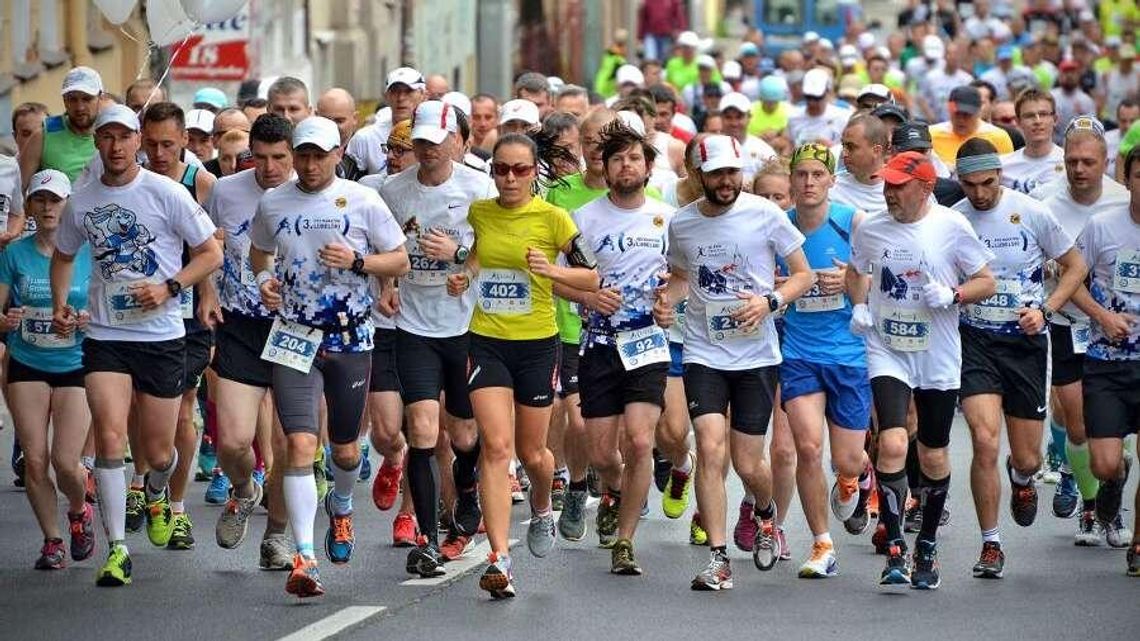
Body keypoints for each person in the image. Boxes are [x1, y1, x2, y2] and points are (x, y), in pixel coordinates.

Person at [50, 104, 222, 587]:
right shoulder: (81, 200)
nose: (116, 146)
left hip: (162, 336)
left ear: (137, 141)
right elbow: (63, 256)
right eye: (107, 137)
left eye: (125, 137)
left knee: (159, 450)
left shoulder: (166, 193)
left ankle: (159, 491)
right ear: (98, 143)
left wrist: (170, 287)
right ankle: (118, 549)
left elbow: (212, 251)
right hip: (107, 336)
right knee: (109, 436)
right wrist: (63, 302)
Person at [249, 116, 408, 597]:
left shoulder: (362, 200)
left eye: (321, 155)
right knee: (298, 446)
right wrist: (265, 282)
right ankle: (304, 556)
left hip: (351, 340)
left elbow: (398, 259)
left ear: (338, 154)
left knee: (343, 448)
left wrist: (358, 262)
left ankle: (341, 507)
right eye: (304, 155)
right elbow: (259, 252)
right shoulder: (274, 201)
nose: (311, 164)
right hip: (295, 337)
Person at [653, 134, 814, 590]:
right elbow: (683, 277)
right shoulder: (682, 224)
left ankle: (764, 510)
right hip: (705, 352)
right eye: (716, 174)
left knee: (748, 464)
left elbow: (802, 275)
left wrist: (770, 302)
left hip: (756, 355)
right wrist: (668, 303)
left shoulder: (765, 214)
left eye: (732, 172)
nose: (726, 182)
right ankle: (718, 558)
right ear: (697, 175)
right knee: (708, 445)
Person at [446, 132, 600, 598]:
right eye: (500, 170)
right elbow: (478, 256)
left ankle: (541, 505)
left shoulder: (554, 218)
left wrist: (552, 270)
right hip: (487, 340)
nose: (509, 178)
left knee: (532, 454)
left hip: (537, 345)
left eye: (519, 170)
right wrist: (464, 275)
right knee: (495, 446)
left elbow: (591, 277)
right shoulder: (481, 213)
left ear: (535, 173)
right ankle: (499, 557)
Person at [847, 150, 996, 590]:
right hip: (887, 347)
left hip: (937, 353)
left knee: (932, 453)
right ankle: (894, 548)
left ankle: (926, 541)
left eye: (898, 185)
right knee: (892, 441)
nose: (889, 193)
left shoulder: (951, 227)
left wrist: (953, 294)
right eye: (886, 185)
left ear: (926, 186)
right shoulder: (872, 226)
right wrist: (858, 305)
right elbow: (857, 271)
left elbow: (986, 281)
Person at [952, 138, 1087, 579]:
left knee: (1026, 457)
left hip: (1026, 345)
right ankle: (990, 543)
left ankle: (1023, 478)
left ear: (1000, 175)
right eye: (969, 185)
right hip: (976, 342)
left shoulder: (1029, 211)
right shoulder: (954, 220)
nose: (980, 193)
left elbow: (1075, 266)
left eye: (987, 183)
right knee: (985, 440)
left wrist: (1045, 311)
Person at [378, 100, 496, 577]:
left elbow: (495, 253)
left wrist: (461, 257)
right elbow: (381, 248)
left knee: (464, 434)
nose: (426, 149)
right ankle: (427, 538)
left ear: (457, 142)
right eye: (419, 141)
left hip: (466, 325)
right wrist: (386, 286)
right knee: (423, 430)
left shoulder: (480, 187)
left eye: (435, 140)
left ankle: (466, 491)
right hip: (413, 325)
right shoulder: (392, 190)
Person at [556, 121, 675, 574]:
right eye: (617, 158)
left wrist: (670, 307)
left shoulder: (667, 217)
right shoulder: (583, 220)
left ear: (647, 167)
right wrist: (586, 297)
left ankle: (625, 540)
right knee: (604, 453)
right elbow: (559, 279)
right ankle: (615, 489)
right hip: (598, 344)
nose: (626, 165)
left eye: (634, 158)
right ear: (603, 167)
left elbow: (680, 277)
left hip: (647, 341)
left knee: (641, 441)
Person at [201, 113, 296, 570]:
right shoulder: (226, 190)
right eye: (258, 158)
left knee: (283, 441)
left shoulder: (311, 193)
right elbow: (207, 246)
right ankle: (243, 490)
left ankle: (276, 537)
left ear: (293, 155)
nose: (269, 168)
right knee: (234, 442)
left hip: (296, 328)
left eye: (279, 158)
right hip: (240, 323)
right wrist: (207, 291)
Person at [778, 143, 874, 579]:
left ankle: (857, 477)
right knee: (807, 447)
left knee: (847, 459)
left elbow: (876, 281)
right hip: (799, 351)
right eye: (802, 175)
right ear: (791, 181)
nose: (809, 183)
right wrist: (782, 285)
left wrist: (851, 279)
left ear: (832, 180)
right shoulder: (780, 227)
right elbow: (762, 280)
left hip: (849, 352)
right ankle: (822, 543)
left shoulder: (853, 222)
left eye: (818, 174)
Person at [1040, 117, 1133, 546]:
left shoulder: (1123, 199)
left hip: (1118, 337)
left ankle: (1108, 506)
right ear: (1063, 161)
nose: (1079, 169)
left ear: (1105, 162)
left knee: (1108, 441)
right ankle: (1090, 504)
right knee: (1076, 424)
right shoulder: (1045, 204)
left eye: (1088, 162)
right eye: (1072, 161)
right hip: (1067, 322)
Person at [0, 169, 95, 570]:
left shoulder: (89, 251)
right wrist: (5, 321)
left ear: (68, 205)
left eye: (55, 200)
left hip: (76, 364)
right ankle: (52, 540)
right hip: (27, 361)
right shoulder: (14, 253)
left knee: (65, 460)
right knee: (35, 461)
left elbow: (108, 304)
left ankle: (78, 510)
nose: (47, 207)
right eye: (39, 200)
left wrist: (86, 318)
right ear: (31, 206)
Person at [1070, 144, 1140, 577]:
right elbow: (1069, 280)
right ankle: (1114, 477)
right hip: (1106, 362)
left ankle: (1138, 543)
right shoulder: (1101, 227)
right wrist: (1102, 315)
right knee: (1104, 463)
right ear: (1127, 179)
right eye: (1139, 176)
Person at [359, 119, 419, 547]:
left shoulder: (454, 193)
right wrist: (386, 286)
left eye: (403, 150)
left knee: (425, 428)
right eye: (390, 149)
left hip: (429, 326)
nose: (394, 158)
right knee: (384, 430)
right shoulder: (370, 191)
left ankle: (409, 514)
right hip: (382, 324)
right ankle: (393, 456)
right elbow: (373, 252)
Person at [19, 67, 102, 189]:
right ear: (64, 101)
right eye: (73, 99)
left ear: (100, 97)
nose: (80, 107)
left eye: (86, 99)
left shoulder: (111, 133)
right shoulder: (43, 136)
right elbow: (18, 190)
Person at [929, 85, 1014, 171]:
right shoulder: (931, 135)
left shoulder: (998, 137)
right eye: (957, 114)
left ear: (978, 111)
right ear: (949, 110)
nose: (961, 120)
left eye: (967, 115)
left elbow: (1007, 173)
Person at [1001, 89, 1065, 195]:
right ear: (1018, 122)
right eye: (1029, 116)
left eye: (1043, 114)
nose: (1037, 121)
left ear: (1055, 119)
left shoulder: (1069, 164)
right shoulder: (1004, 166)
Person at [832, 114, 891, 215]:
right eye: (843, 145)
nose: (844, 154)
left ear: (876, 151)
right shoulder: (831, 187)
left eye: (851, 147)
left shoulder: (900, 189)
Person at [787, 69, 852, 148]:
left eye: (817, 98)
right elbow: (789, 147)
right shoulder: (793, 117)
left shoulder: (844, 117)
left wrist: (830, 147)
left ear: (828, 92)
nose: (812, 103)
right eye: (808, 97)